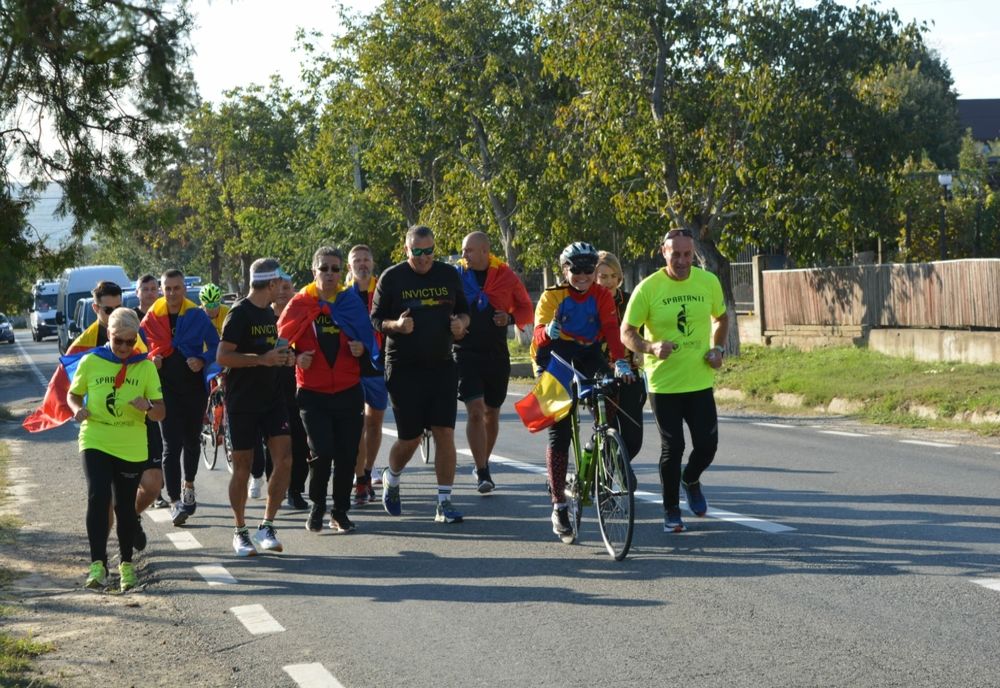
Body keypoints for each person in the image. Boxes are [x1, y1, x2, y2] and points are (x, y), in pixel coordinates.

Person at [621, 228, 729, 533]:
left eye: (687, 254)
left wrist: (718, 348)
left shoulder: (708, 281)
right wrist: (650, 347)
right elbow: (626, 332)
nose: (682, 261)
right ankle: (671, 510)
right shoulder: (648, 288)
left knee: (707, 446)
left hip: (699, 380)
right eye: (676, 254)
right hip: (664, 383)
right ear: (663, 252)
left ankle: (690, 479)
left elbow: (721, 317)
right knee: (674, 446)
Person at [533, 241, 632, 543]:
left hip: (589, 354)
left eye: (589, 270)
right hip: (556, 356)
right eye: (576, 270)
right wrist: (546, 332)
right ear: (565, 270)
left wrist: (621, 363)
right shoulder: (553, 296)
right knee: (560, 432)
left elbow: (612, 329)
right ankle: (559, 505)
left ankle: (601, 447)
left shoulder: (602, 295)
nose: (584, 276)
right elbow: (537, 336)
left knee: (609, 391)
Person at [371, 225, 470, 523]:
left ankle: (444, 502)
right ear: (406, 250)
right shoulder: (392, 277)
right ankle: (393, 475)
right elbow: (376, 319)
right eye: (417, 252)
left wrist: (461, 325)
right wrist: (396, 327)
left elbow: (465, 312)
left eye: (429, 251)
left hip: (442, 364)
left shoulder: (449, 275)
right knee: (411, 438)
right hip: (404, 367)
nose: (424, 258)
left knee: (445, 433)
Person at [67, 307, 165, 591]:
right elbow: (73, 394)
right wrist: (77, 409)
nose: (123, 347)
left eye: (129, 341)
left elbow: (161, 412)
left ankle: (126, 564)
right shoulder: (91, 361)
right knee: (98, 495)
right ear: (107, 334)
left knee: (124, 506)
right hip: (95, 437)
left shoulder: (145, 367)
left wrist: (147, 407)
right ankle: (97, 565)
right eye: (117, 340)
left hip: (131, 444)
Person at [279, 247, 374, 533]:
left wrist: (360, 348)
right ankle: (318, 505)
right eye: (324, 269)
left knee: (347, 454)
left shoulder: (349, 302)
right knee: (322, 452)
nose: (330, 274)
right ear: (314, 272)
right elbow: (281, 345)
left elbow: (369, 340)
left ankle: (340, 511)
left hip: (348, 389)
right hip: (313, 393)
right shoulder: (299, 303)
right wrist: (296, 357)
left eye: (335, 269)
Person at [216, 258, 295, 556]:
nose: (283, 289)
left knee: (285, 459)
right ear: (271, 283)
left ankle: (267, 526)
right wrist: (261, 360)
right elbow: (223, 356)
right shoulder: (239, 314)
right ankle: (240, 531)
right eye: (280, 284)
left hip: (273, 398)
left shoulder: (270, 313)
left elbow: (270, 350)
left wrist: (285, 358)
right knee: (243, 468)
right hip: (243, 401)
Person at [454, 231, 533, 493]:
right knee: (475, 409)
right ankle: (482, 471)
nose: (464, 255)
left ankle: (483, 461)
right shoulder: (457, 275)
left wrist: (509, 319)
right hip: (464, 351)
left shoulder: (506, 276)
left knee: (492, 412)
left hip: (496, 353)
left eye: (469, 250)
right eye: (464, 250)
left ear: (486, 251)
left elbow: (525, 309)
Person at [141, 269, 219, 527]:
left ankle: (189, 485)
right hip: (164, 391)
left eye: (177, 288)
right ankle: (175, 502)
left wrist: (203, 359)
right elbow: (139, 351)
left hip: (193, 389)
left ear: (184, 289)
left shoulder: (196, 315)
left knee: (192, 441)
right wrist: (152, 359)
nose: (172, 293)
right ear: (162, 290)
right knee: (170, 445)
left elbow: (217, 345)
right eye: (168, 288)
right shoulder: (151, 319)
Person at [345, 244, 387, 505]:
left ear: (372, 263)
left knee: (374, 423)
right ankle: (360, 479)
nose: (362, 264)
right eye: (357, 260)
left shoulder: (383, 289)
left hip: (378, 365)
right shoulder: (341, 293)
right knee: (356, 425)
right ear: (350, 266)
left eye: (366, 259)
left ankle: (368, 470)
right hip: (349, 365)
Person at [595, 251, 647, 463]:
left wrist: (641, 351)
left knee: (633, 440)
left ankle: (619, 468)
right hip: (600, 376)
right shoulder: (588, 303)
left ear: (619, 277)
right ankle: (606, 480)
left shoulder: (630, 301)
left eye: (612, 276)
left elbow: (642, 331)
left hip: (630, 375)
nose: (608, 282)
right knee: (609, 434)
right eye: (603, 276)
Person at [269, 274, 311, 510]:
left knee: (300, 443)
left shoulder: (304, 313)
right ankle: (273, 486)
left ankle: (296, 490)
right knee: (273, 443)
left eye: (288, 287)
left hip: (299, 387)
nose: (283, 292)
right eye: (279, 287)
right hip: (271, 387)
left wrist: (299, 358)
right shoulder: (265, 317)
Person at [131, 274, 166, 546]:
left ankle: (132, 514)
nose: (151, 292)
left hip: (158, 399)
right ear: (137, 291)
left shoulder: (164, 315)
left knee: (154, 481)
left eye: (155, 288)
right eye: (146, 288)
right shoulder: (129, 319)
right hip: (128, 407)